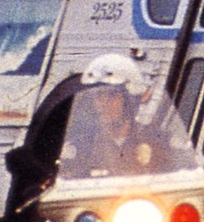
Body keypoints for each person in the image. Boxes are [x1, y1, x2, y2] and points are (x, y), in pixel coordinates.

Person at [61, 53, 191, 178]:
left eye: (113, 95)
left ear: (132, 99)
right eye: (99, 96)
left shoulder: (161, 142)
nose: (104, 103)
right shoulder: (79, 148)